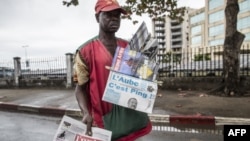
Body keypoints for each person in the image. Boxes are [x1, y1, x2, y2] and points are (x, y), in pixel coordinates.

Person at [73, 0, 152, 140]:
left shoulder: (128, 47)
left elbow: (141, 78)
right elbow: (80, 89)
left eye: (117, 15)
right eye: (108, 15)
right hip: (103, 118)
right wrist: (85, 113)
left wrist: (149, 83)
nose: (114, 18)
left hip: (129, 118)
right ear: (97, 17)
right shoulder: (85, 51)